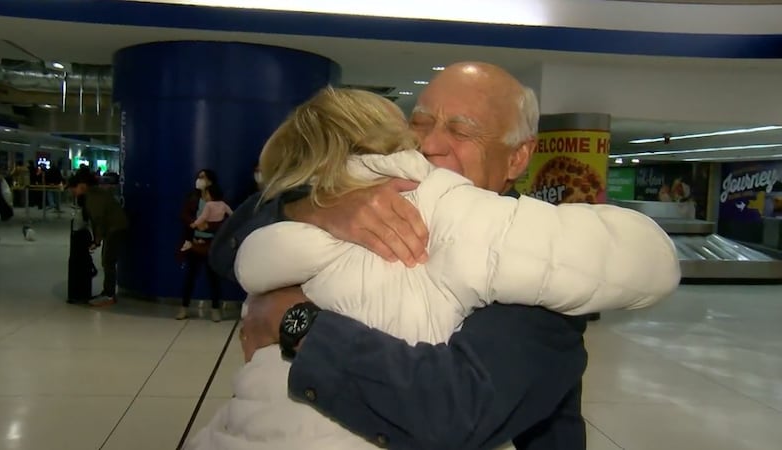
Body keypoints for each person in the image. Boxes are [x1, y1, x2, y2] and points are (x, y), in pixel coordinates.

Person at [209, 62, 676, 449]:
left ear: (517, 158)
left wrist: (299, 324)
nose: (430, 145)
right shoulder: (364, 197)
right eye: (420, 121)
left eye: (461, 130)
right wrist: (314, 204)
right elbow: (227, 247)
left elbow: (454, 413)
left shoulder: (528, 265)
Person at [67, 173, 129, 306]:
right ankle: (108, 292)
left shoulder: (93, 197)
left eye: (74, 189)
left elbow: (99, 220)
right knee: (107, 260)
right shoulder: (94, 194)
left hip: (115, 228)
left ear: (82, 185)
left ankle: (109, 295)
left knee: (108, 261)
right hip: (113, 228)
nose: (73, 193)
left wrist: (96, 241)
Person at [176, 169, 226, 321]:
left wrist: (207, 226)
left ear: (210, 181)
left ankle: (216, 309)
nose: (199, 180)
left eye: (203, 177)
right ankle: (183, 308)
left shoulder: (218, 199)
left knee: (213, 279)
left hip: (211, 244)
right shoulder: (192, 197)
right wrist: (195, 224)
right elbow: (184, 215)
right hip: (194, 243)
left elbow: (225, 220)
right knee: (190, 277)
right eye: (199, 177)